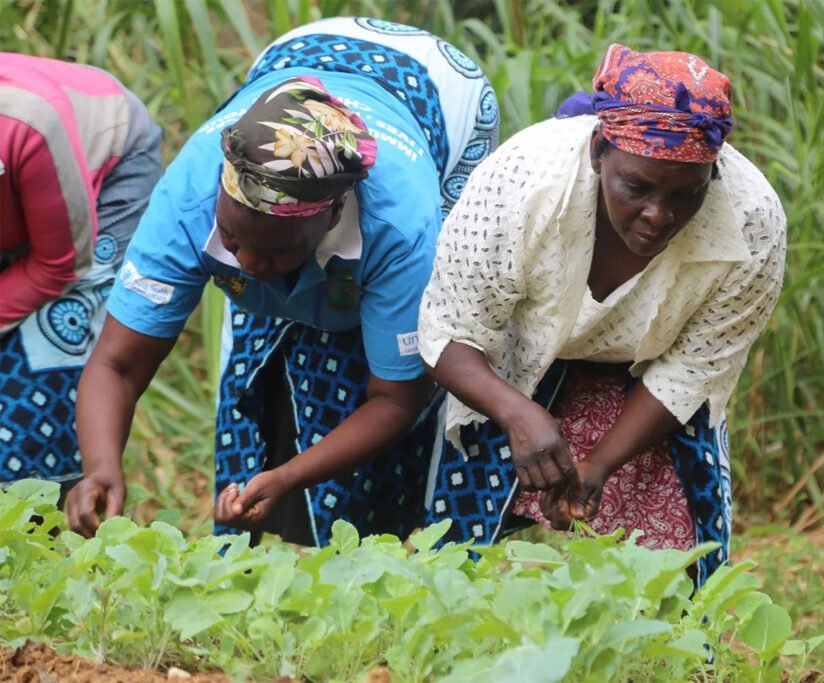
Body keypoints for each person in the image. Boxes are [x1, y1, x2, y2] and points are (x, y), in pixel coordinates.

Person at [64, 17, 499, 546]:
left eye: (277, 250)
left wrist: (291, 475)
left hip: (442, 93)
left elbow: (396, 399)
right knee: (251, 349)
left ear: (335, 211)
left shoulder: (401, 224)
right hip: (296, 55)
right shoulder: (190, 200)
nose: (246, 263)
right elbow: (118, 360)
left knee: (387, 347)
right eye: (231, 237)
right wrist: (101, 467)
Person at [418, 44, 786, 584]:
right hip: (518, 358)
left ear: (714, 173)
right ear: (597, 151)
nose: (658, 216)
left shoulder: (753, 224)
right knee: (464, 551)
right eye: (635, 187)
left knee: (681, 564)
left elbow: (693, 370)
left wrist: (601, 464)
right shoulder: (522, 184)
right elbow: (450, 329)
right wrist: (518, 413)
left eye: (688, 193)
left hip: (650, 375)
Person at [0, 54, 162, 493]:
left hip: (103, 174)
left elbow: (60, 264)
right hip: (16, 201)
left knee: (47, 361)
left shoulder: (27, 120)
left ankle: (63, 519)